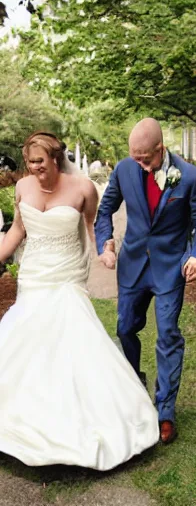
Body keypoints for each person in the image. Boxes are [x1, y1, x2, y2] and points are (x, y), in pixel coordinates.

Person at [0, 131, 159, 471]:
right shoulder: (23, 187)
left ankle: (84, 417)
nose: (33, 168)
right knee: (26, 341)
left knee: (71, 340)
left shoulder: (83, 188)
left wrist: (105, 250)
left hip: (66, 275)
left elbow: (91, 227)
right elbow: (17, 229)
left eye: (39, 162)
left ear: (55, 159)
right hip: (34, 275)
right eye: (29, 163)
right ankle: (28, 415)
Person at [95, 118, 196, 444]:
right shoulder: (123, 170)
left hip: (169, 268)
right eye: (135, 157)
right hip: (132, 265)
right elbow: (104, 212)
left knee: (168, 334)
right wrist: (105, 243)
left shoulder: (190, 177)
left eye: (145, 158)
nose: (141, 164)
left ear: (160, 148)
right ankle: (134, 388)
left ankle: (165, 411)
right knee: (124, 328)